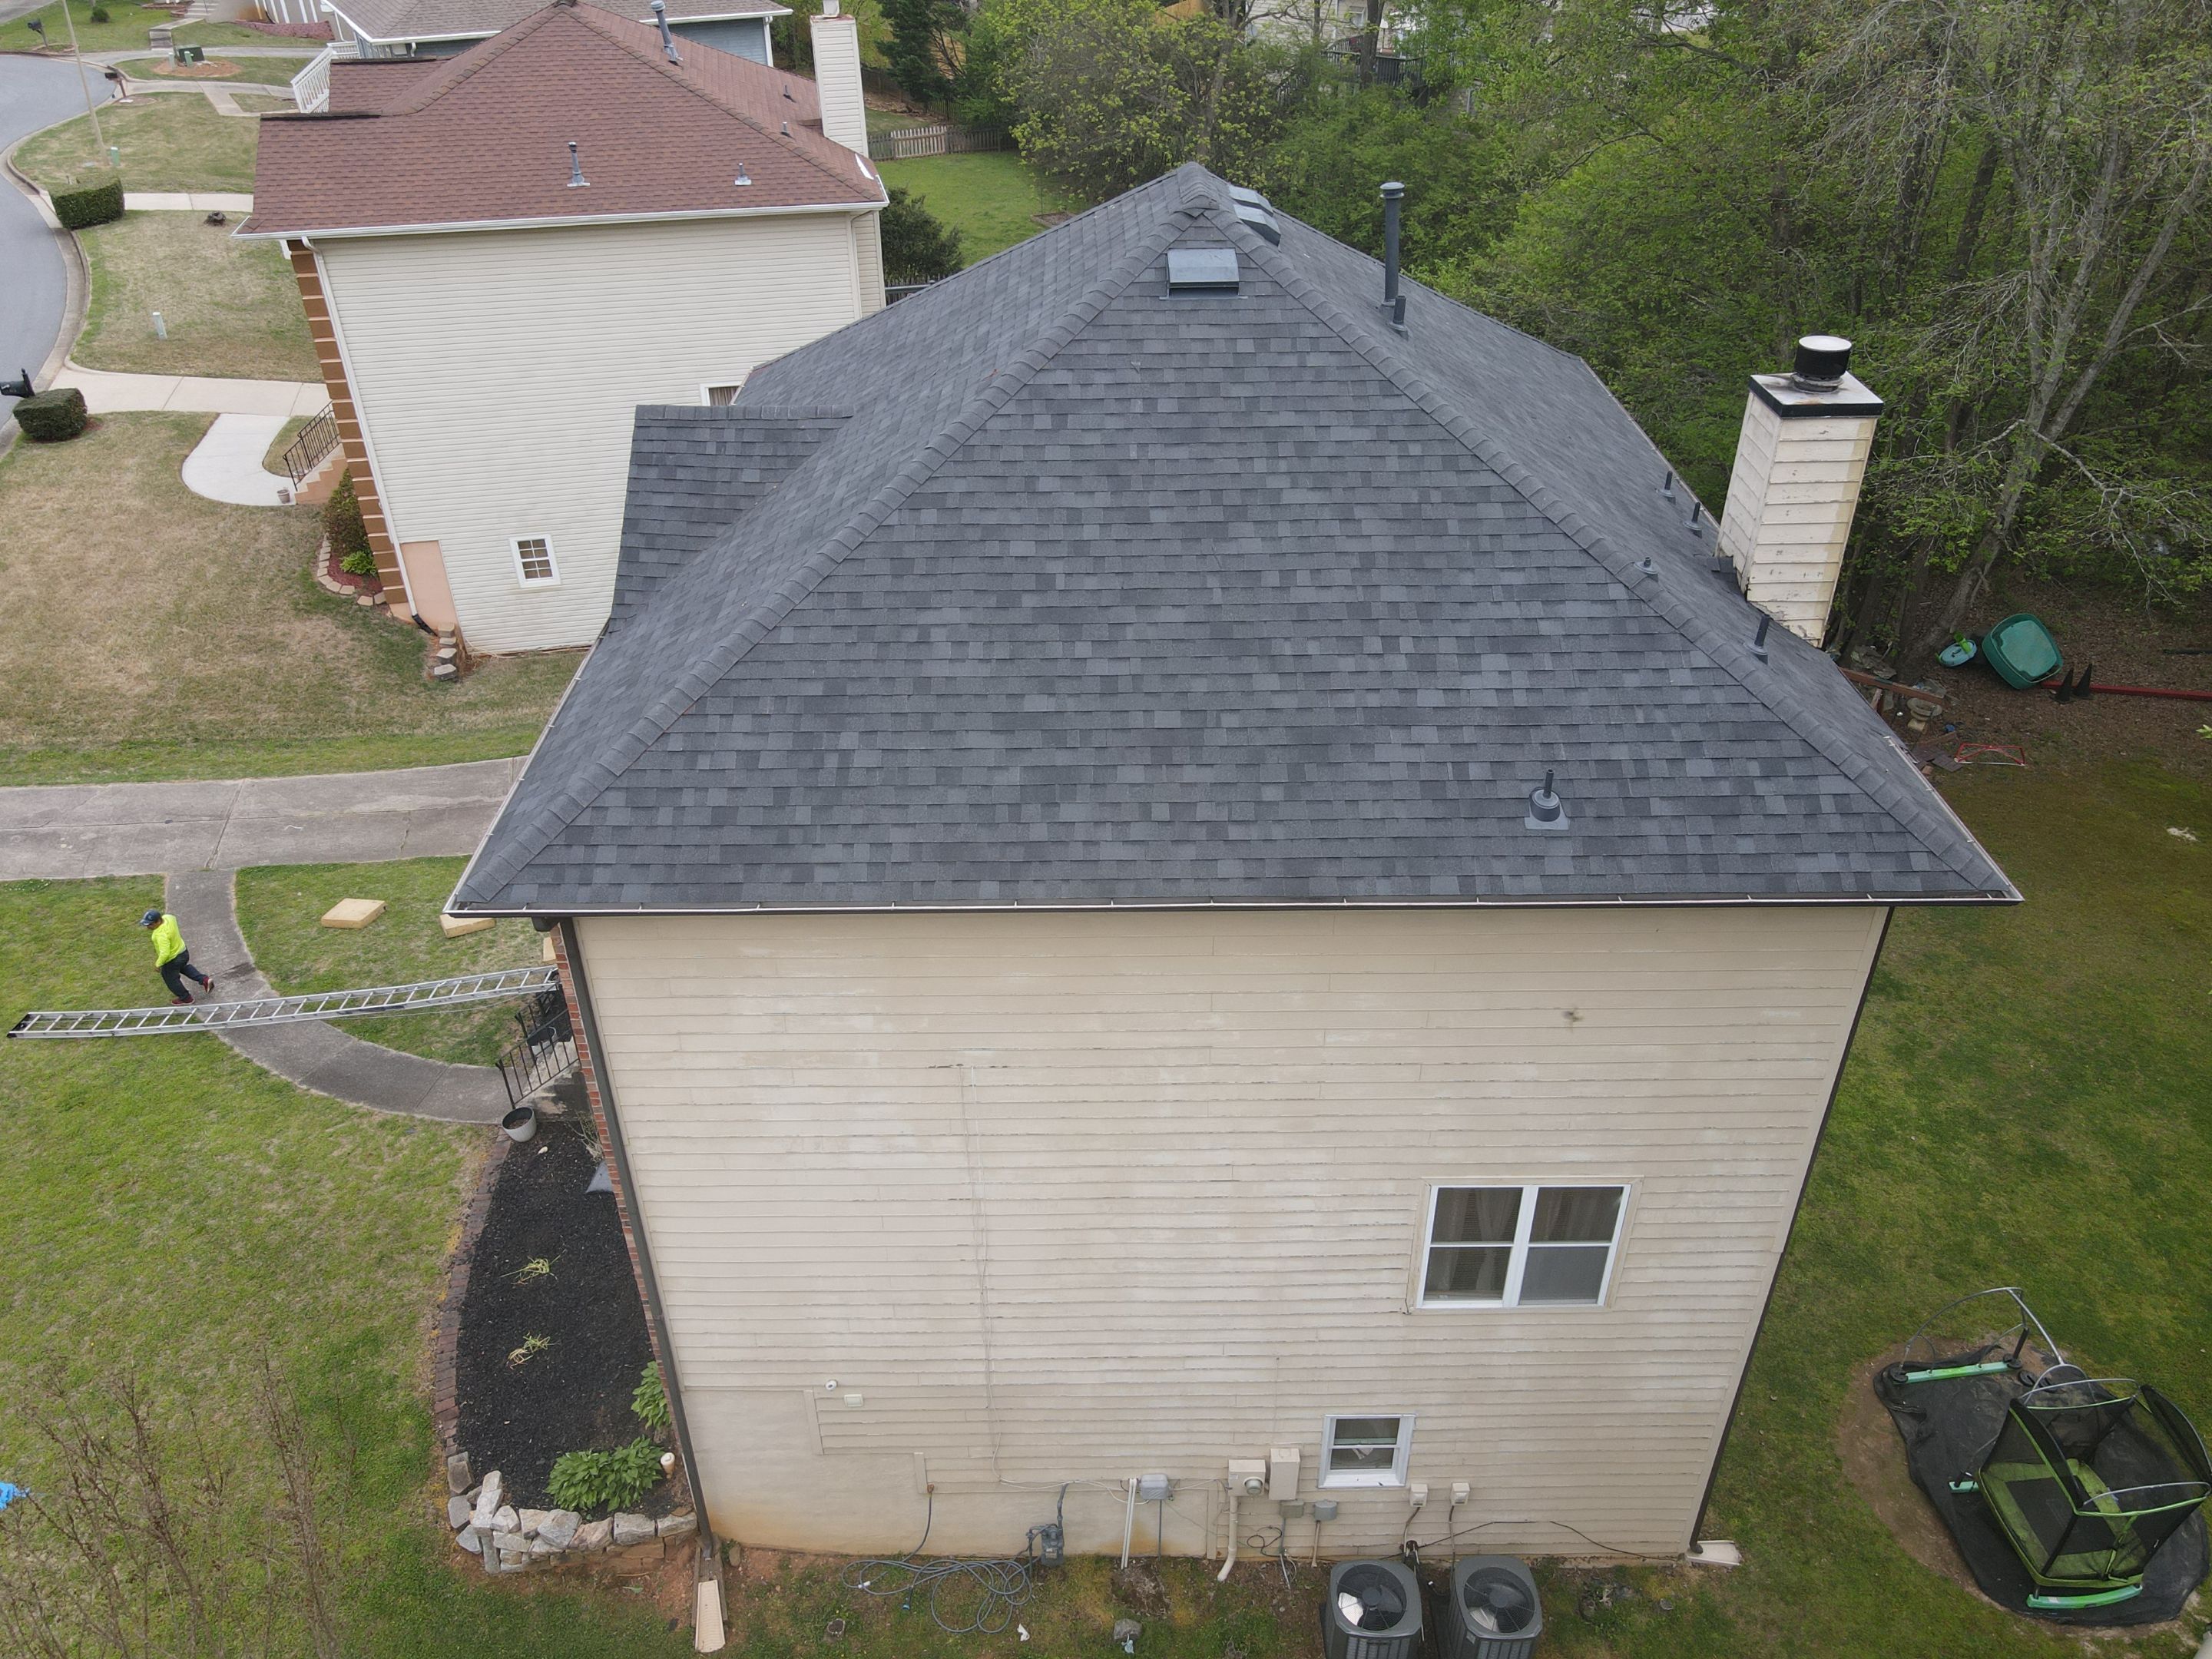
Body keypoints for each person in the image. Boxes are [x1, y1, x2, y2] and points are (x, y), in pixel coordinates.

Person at [141, 907, 214, 1005]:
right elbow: (172, 917)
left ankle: (186, 998)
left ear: (158, 921)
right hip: (183, 952)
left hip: (172, 960)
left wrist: (158, 964)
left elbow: (165, 953)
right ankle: (204, 980)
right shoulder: (168, 918)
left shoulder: (160, 935)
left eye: (150, 924)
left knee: (170, 979)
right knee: (183, 967)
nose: (148, 927)